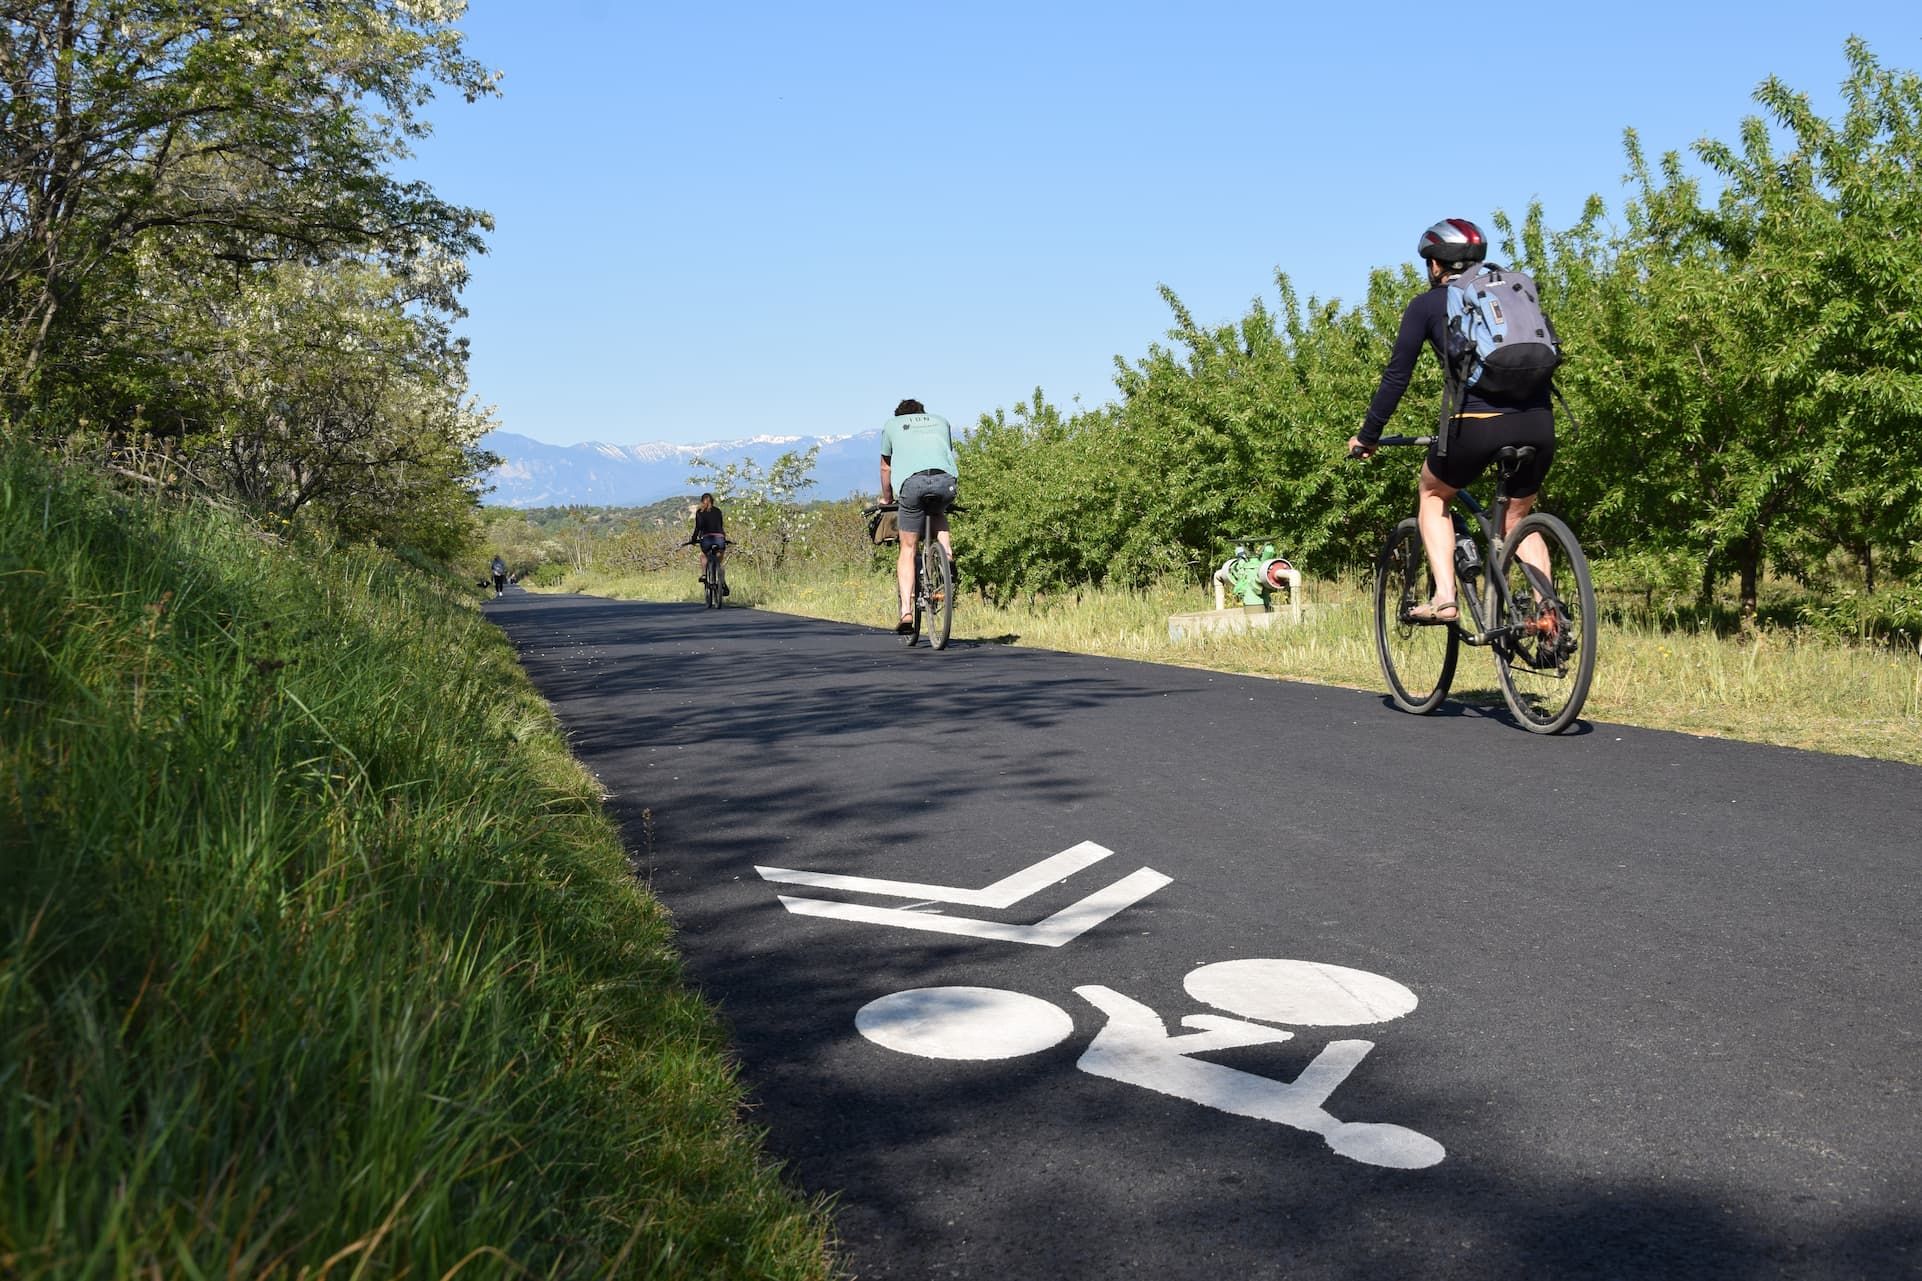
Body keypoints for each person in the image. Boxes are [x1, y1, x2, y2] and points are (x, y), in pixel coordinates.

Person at [1347, 218, 1556, 623]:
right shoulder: (1513, 291)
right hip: (1538, 421)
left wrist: (1368, 436)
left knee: (1433, 495)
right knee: (1517, 517)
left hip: (1478, 422)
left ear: (1436, 265)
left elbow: (1396, 377)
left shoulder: (1427, 305)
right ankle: (1549, 615)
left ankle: (1445, 598)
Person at [879, 398, 959, 633]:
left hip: (912, 485)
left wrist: (887, 498)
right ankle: (947, 553)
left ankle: (906, 612)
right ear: (923, 413)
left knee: (908, 547)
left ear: (899, 414)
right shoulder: (941, 421)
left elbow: (886, 467)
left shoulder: (892, 425)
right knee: (938, 509)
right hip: (946, 482)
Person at [691, 492, 728, 594]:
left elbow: (698, 528)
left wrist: (694, 539)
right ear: (712, 501)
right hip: (719, 538)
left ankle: (704, 574)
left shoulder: (700, 512)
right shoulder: (718, 511)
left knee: (703, 555)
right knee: (719, 558)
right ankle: (721, 579)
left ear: (702, 502)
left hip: (707, 538)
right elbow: (720, 526)